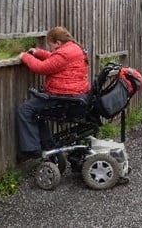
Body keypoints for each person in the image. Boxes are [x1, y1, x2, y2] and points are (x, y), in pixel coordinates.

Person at [16, 26, 90, 162]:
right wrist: (38, 52)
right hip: (75, 95)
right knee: (38, 112)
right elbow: (56, 60)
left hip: (64, 97)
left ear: (58, 43)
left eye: (52, 46)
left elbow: (41, 67)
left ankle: (31, 150)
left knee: (25, 109)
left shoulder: (64, 53)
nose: (52, 50)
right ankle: (47, 145)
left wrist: (24, 56)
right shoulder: (74, 48)